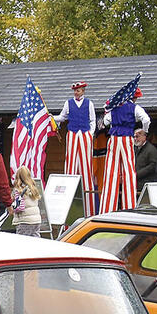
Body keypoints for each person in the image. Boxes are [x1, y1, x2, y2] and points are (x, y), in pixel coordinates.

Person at [100, 85, 151, 213]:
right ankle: (129, 207)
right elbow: (146, 119)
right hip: (127, 138)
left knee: (111, 172)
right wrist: (145, 131)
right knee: (129, 171)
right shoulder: (135, 107)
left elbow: (105, 122)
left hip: (113, 138)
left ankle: (107, 208)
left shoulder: (115, 106)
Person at [53, 81, 97, 214]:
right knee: (70, 165)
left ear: (83, 91)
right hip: (72, 134)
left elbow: (93, 120)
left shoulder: (89, 103)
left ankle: (89, 208)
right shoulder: (68, 103)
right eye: (75, 90)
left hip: (84, 134)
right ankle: (67, 204)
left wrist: (90, 133)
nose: (76, 92)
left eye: (78, 90)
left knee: (86, 166)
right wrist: (51, 118)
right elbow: (62, 117)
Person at [8, 166, 43, 236]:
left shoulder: (18, 190)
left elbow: (19, 208)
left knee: (23, 243)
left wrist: (11, 207)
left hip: (25, 221)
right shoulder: (33, 189)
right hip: (36, 221)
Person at [133, 128, 157, 198]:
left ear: (144, 137)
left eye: (137, 136)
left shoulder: (151, 149)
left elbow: (153, 166)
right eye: (134, 137)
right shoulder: (134, 149)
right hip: (134, 184)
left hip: (145, 184)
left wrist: (137, 174)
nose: (135, 139)